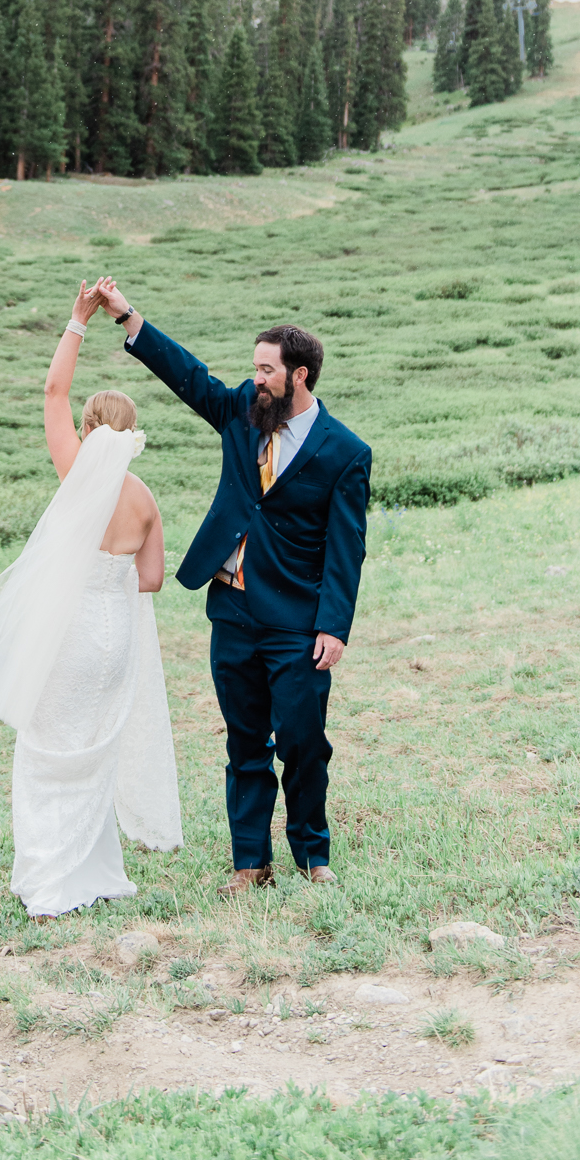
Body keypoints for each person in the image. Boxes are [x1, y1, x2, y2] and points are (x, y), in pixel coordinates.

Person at [94, 281, 369, 894]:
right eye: (254, 368)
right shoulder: (245, 412)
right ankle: (251, 864)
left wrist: (333, 626)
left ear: (298, 375)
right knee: (244, 742)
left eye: (266, 369)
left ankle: (312, 856)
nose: (256, 379)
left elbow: (348, 547)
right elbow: (189, 377)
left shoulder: (346, 452)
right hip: (233, 609)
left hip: (298, 619)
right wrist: (128, 318)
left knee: (302, 743)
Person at [0, 276, 182, 918]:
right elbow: (151, 580)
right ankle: (94, 875)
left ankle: (47, 881)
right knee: (96, 753)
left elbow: (52, 390)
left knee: (47, 752)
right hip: (114, 637)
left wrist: (78, 320)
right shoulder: (143, 496)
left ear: (90, 427)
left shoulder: (76, 474)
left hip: (66, 638)